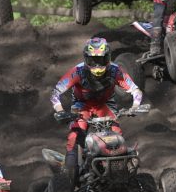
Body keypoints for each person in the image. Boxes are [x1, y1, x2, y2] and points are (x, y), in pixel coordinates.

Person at [50, 37, 144, 167]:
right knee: (75, 134)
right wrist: (60, 111)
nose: (97, 65)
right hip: (82, 105)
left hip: (104, 104)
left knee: (117, 134)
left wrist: (135, 106)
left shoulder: (115, 71)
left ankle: (122, 167)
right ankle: (71, 169)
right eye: (93, 60)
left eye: (101, 60)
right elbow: (55, 92)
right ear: (86, 59)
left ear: (108, 58)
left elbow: (135, 90)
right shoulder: (77, 72)